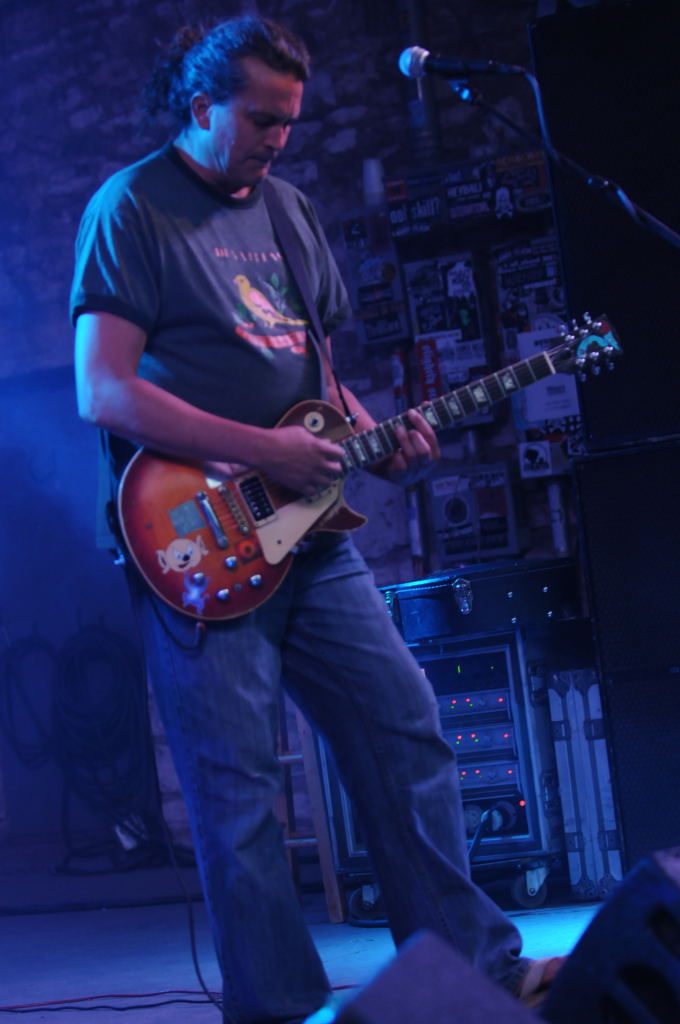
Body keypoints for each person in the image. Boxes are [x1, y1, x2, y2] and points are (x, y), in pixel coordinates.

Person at [71, 15, 562, 1024]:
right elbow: (103, 390)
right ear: (200, 106)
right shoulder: (131, 208)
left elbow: (317, 380)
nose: (279, 138)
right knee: (238, 796)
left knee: (404, 731)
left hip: (311, 538)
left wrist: (377, 433)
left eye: (291, 120)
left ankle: (471, 970)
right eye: (261, 119)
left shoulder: (290, 211)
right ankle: (275, 1010)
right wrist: (264, 451)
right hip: (196, 538)